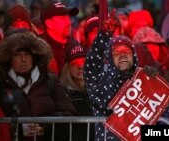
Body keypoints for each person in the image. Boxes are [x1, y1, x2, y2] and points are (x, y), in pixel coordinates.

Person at [0, 31, 76, 141]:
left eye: (27, 54)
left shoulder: (50, 80)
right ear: (9, 58)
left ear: (35, 57)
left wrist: (44, 125)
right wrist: (19, 128)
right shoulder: (2, 84)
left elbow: (69, 113)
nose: (23, 60)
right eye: (17, 55)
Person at [83, 10, 139, 141]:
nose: (123, 54)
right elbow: (92, 65)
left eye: (127, 50)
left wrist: (154, 81)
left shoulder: (143, 81)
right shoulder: (101, 80)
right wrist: (104, 35)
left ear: (134, 56)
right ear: (109, 56)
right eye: (117, 52)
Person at [60, 42, 94, 141]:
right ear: (67, 68)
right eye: (74, 63)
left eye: (83, 62)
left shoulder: (98, 90)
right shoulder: (62, 92)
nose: (80, 66)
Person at [40, 1, 79, 75]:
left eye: (68, 18)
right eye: (62, 18)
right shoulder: (38, 50)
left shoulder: (76, 48)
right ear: (48, 23)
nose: (69, 22)